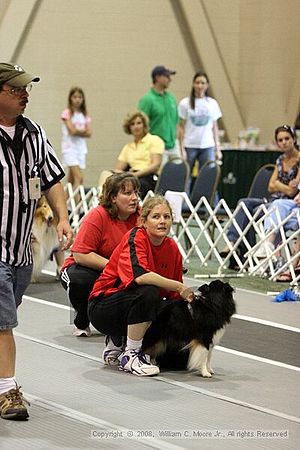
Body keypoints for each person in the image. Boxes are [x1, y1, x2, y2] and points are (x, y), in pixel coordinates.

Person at [0, 62, 73, 420]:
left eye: (27, 89)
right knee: (4, 322)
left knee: (5, 314)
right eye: (16, 90)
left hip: (21, 249)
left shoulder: (34, 134)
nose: (25, 94)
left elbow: (51, 179)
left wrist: (62, 217)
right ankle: (7, 392)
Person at [88, 195, 194, 377]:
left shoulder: (172, 248)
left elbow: (174, 298)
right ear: (143, 221)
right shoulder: (136, 237)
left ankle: (124, 342)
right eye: (156, 217)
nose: (162, 222)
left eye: (167, 217)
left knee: (178, 358)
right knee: (148, 291)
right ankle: (131, 354)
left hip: (138, 305)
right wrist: (178, 286)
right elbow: (141, 276)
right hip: (104, 306)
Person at [60, 173, 140, 336]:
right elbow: (81, 255)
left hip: (122, 269)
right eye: (127, 193)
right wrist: (115, 267)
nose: (134, 198)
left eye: (136, 193)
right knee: (80, 281)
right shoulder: (97, 216)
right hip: (89, 267)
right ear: (112, 198)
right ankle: (81, 319)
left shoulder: (141, 217)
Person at [220, 125, 300, 260]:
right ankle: (232, 242)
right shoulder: (280, 160)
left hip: (285, 205)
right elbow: (270, 187)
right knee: (243, 203)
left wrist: (279, 185)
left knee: (251, 212)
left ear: (294, 139)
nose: (284, 142)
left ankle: (241, 249)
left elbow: (293, 191)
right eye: (280, 140)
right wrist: (283, 186)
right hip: (272, 200)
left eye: (287, 138)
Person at [98, 111, 164, 199]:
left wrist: (136, 175)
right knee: (106, 174)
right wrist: (122, 175)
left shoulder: (154, 140)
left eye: (139, 123)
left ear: (144, 125)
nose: (136, 126)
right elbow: (118, 169)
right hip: (131, 176)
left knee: (127, 185)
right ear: (129, 128)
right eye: (132, 124)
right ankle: (103, 201)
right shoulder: (128, 147)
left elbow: (156, 165)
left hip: (148, 178)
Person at [178, 71, 222, 194]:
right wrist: (181, 148)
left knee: (209, 176)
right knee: (186, 176)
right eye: (197, 82)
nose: (200, 86)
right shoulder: (185, 103)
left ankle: (210, 203)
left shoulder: (212, 103)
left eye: (202, 83)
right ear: (193, 84)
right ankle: (184, 204)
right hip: (189, 145)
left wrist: (217, 148)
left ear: (207, 85)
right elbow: (181, 127)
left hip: (207, 145)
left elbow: (215, 127)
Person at [138, 65, 182, 165]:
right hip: (157, 148)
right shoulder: (147, 99)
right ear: (157, 78)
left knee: (178, 175)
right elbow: (141, 126)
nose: (170, 79)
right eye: (167, 76)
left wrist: (179, 145)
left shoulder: (171, 98)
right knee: (161, 177)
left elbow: (176, 123)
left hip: (173, 145)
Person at [61, 87, 92, 202]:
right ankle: (78, 207)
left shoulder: (85, 114)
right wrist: (81, 131)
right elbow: (72, 131)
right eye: (75, 97)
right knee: (79, 177)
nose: (77, 100)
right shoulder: (67, 113)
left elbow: (89, 133)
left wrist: (78, 131)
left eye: (80, 97)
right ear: (70, 98)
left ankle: (64, 205)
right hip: (69, 149)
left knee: (71, 181)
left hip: (80, 149)